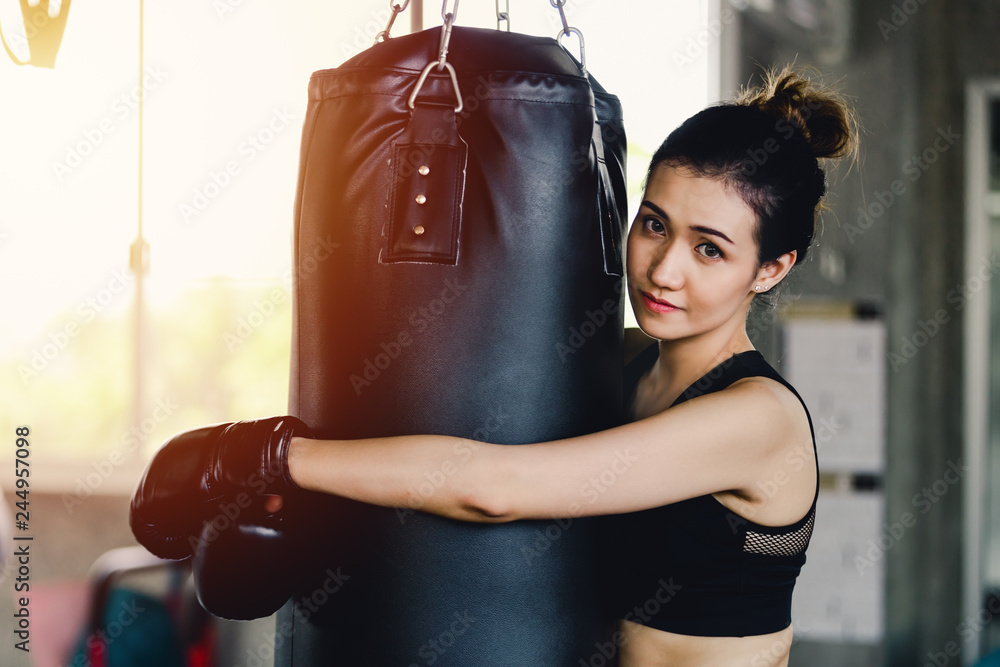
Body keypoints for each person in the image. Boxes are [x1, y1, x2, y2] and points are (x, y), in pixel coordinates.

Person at [130, 66, 857, 666]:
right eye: (654, 224)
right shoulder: (624, 368)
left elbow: (496, 486)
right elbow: (459, 425)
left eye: (710, 248)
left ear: (772, 268)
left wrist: (264, 453)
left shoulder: (757, 419)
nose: (664, 270)